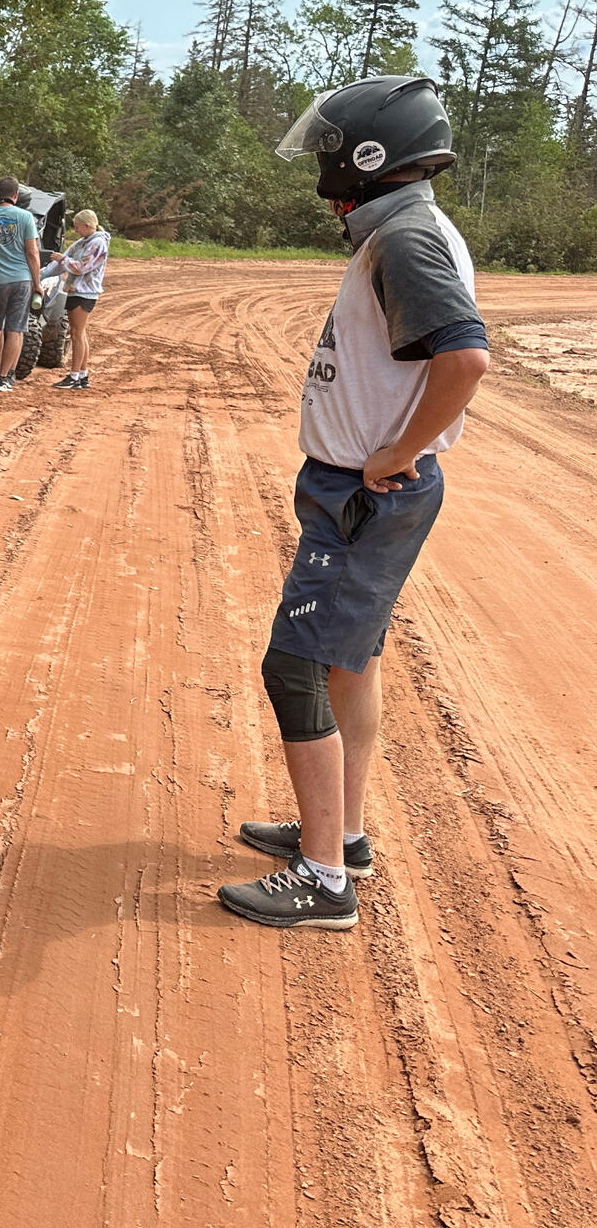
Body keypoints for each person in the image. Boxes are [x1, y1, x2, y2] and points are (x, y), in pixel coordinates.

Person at [218, 76, 488, 931]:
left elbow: (465, 358)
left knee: (292, 665)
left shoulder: (407, 239)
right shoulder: (401, 229)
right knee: (350, 662)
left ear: (367, 158)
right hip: (359, 489)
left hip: (368, 494)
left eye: (331, 149)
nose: (323, 166)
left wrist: (399, 451)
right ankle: (345, 834)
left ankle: (324, 877)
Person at [0, 178, 40, 390]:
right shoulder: (25, 217)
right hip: (20, 279)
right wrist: (37, 283)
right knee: (16, 330)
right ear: (16, 195)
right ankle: (4, 377)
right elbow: (32, 252)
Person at [49, 209, 109, 389]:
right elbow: (64, 262)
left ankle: (74, 375)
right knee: (80, 333)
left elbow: (82, 267)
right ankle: (82, 375)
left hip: (84, 292)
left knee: (76, 334)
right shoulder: (83, 242)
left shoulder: (97, 243)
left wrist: (63, 260)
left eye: (77, 227)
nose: (76, 231)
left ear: (87, 225)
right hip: (77, 291)